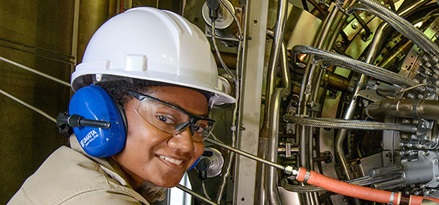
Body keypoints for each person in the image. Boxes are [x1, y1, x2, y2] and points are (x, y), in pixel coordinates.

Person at [8, 7, 235, 205]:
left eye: (198, 127)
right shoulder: (100, 199)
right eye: (165, 119)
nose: (186, 145)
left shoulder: (71, 172)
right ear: (100, 114)